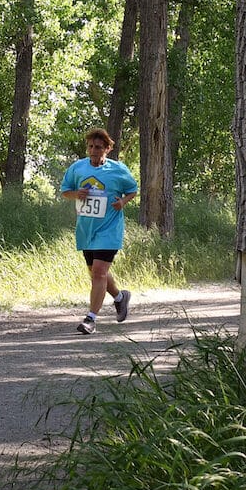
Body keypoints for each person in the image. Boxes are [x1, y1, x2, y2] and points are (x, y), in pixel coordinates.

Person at [59, 127, 138, 335]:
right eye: (91, 147)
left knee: (99, 272)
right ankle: (120, 298)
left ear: (108, 149)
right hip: (87, 230)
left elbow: (132, 190)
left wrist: (123, 201)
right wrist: (77, 193)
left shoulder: (118, 170)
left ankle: (91, 319)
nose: (94, 151)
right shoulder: (77, 168)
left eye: (99, 148)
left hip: (109, 229)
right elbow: (65, 192)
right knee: (95, 273)